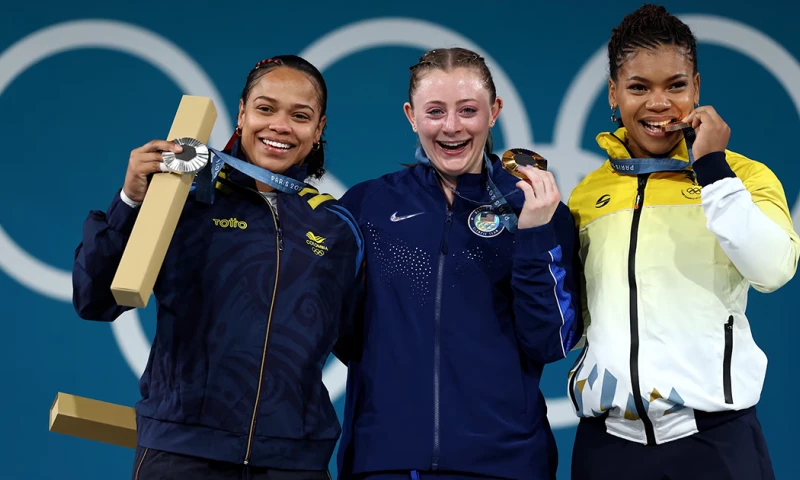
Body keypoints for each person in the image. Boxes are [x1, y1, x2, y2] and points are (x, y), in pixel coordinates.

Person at [72, 55, 365, 480]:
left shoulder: (336, 227)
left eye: (300, 116)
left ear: (318, 130)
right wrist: (131, 200)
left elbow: (361, 343)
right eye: (266, 109)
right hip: (183, 456)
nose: (280, 126)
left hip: (293, 463)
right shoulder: (181, 200)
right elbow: (94, 299)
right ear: (242, 112)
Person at [566, 5, 799, 479]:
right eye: (638, 87)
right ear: (613, 93)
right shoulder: (587, 194)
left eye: (675, 85)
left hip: (715, 444)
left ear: (696, 87)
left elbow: (773, 269)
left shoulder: (745, 177)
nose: (658, 103)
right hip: (607, 447)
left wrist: (714, 171)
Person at [335, 47, 583, 480]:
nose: (451, 127)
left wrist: (533, 235)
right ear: (411, 115)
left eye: (468, 110)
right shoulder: (368, 205)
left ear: (494, 112)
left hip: (505, 465)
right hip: (387, 463)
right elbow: (342, 333)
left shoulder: (536, 207)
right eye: (435, 111)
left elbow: (551, 343)